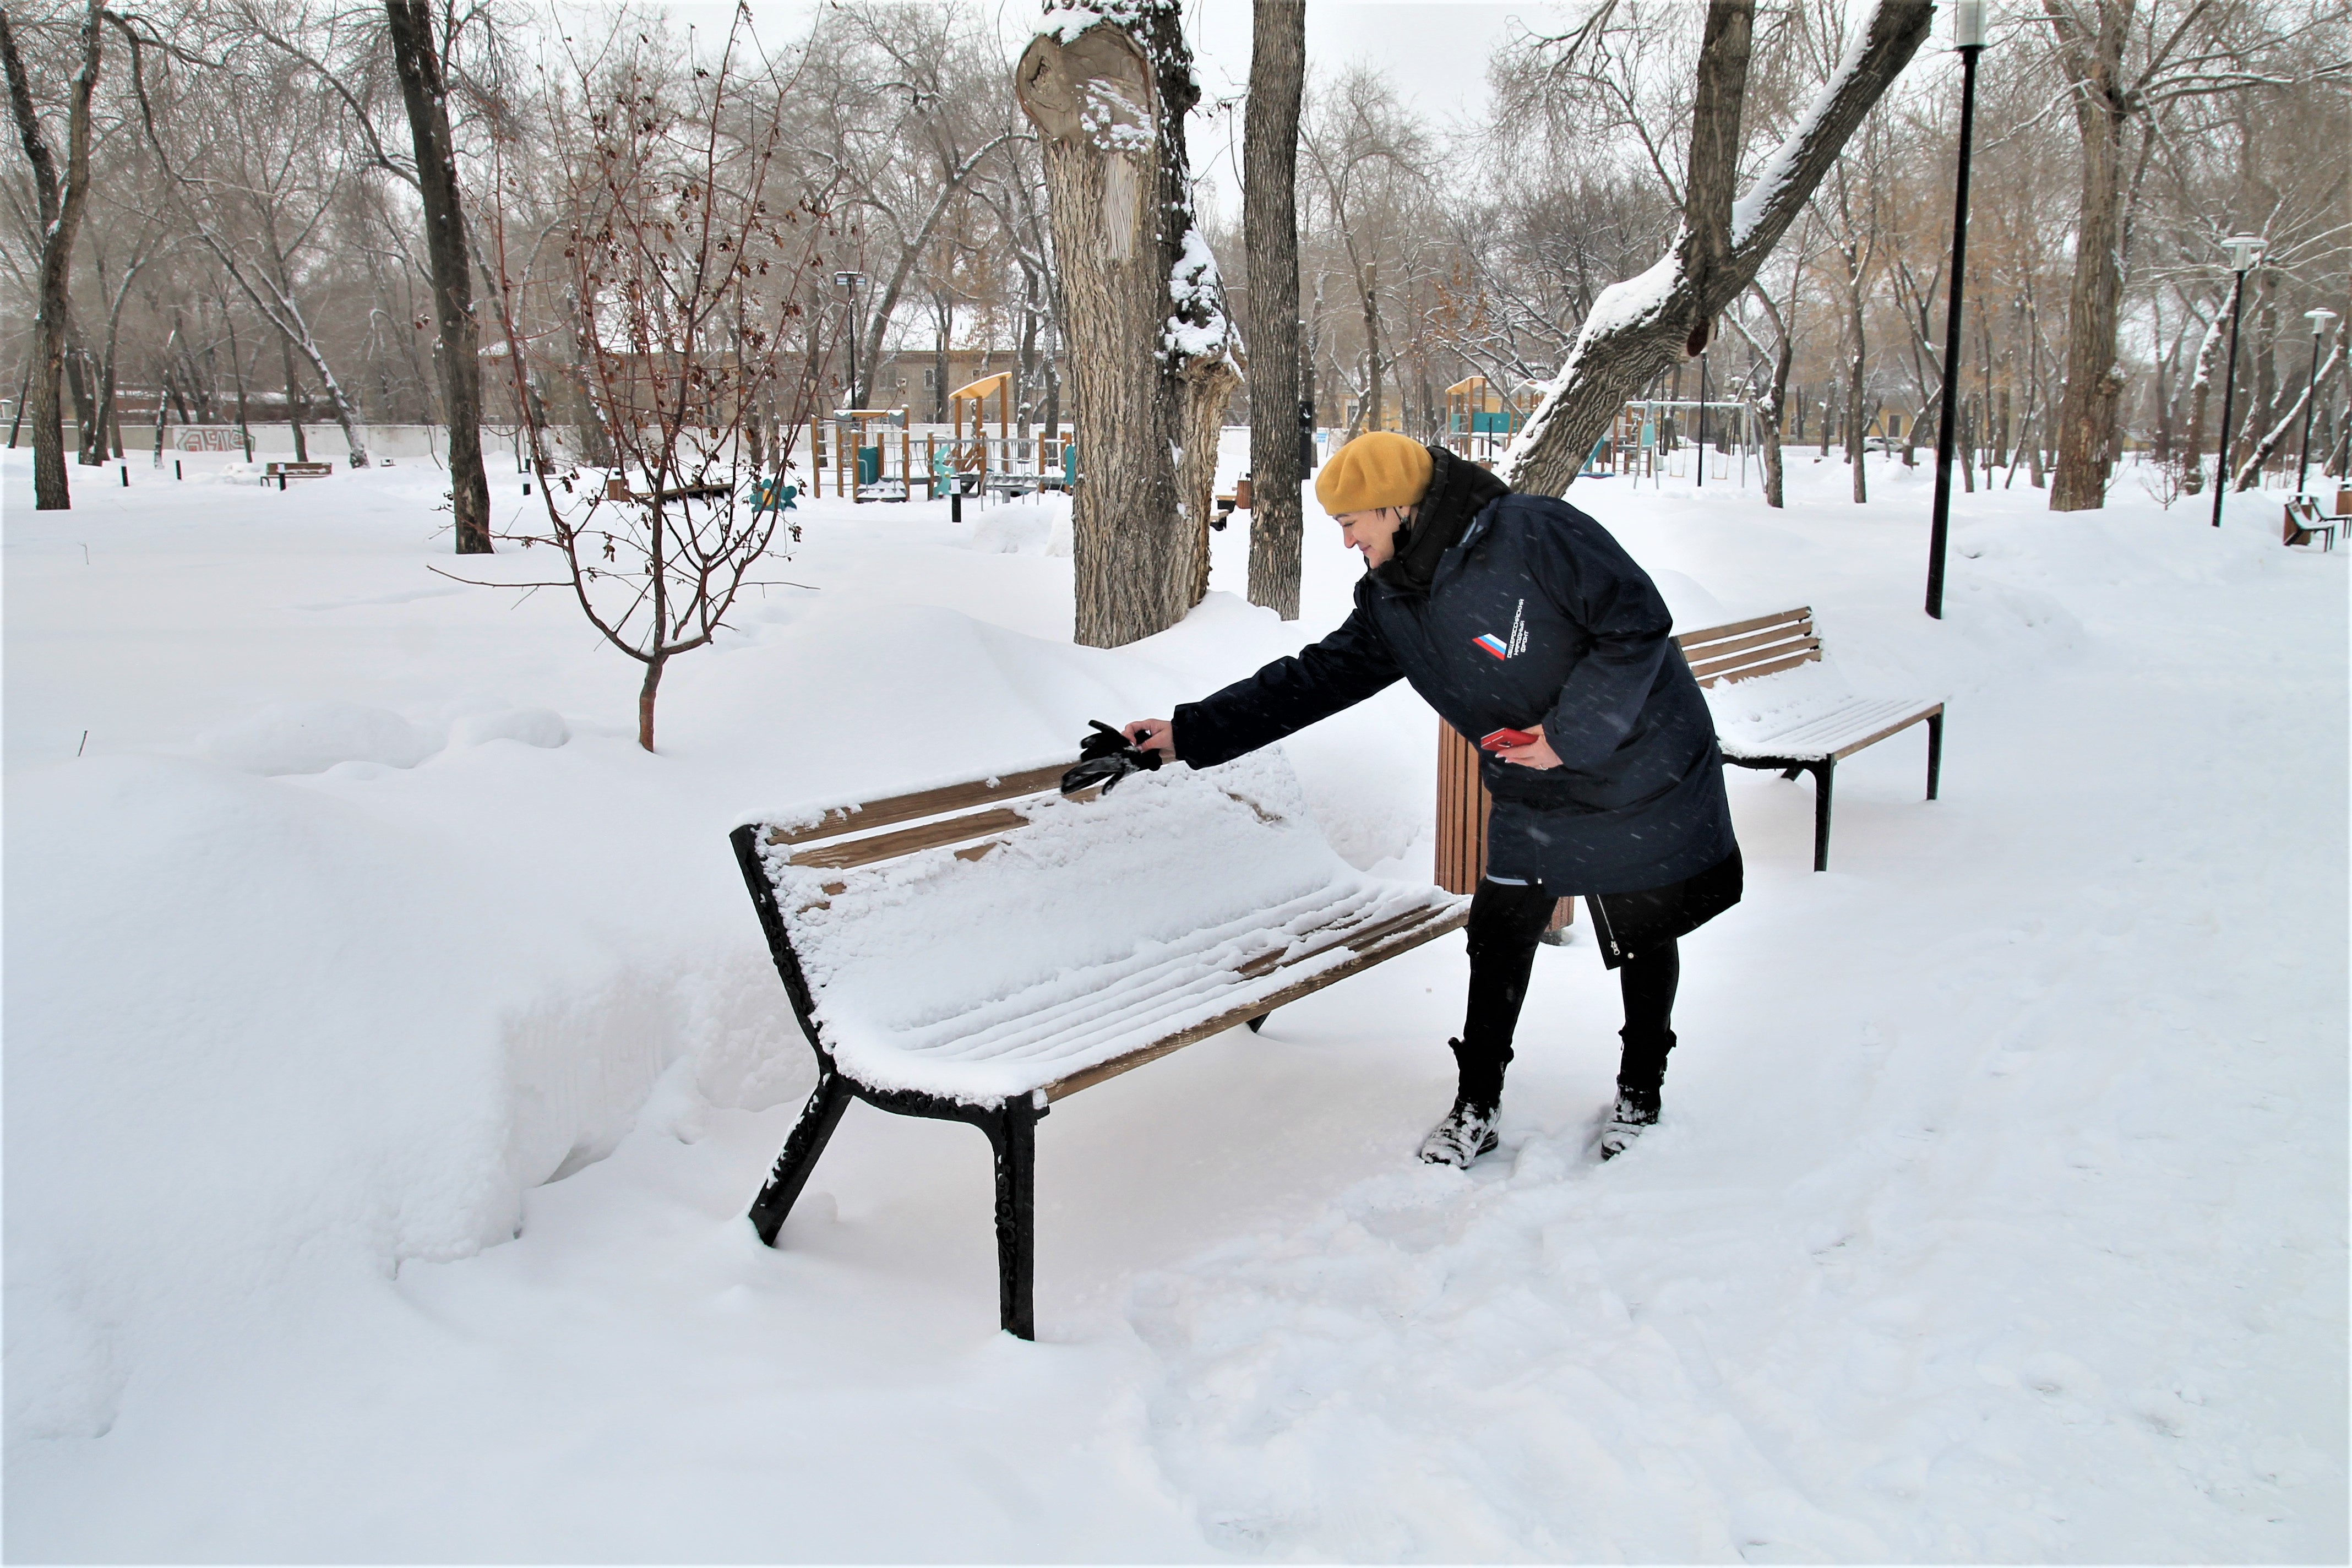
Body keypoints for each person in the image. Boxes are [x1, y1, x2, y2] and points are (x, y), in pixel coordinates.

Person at [1121, 432, 1741, 1165]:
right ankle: (1476, 1103)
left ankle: (1642, 1088)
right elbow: (1314, 679)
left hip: (1639, 756)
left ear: (1395, 507)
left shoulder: (1536, 533)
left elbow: (1636, 623)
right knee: (1501, 929)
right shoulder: (1395, 602)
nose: (1348, 540)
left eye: (1352, 521)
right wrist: (1187, 732)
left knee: (1642, 921)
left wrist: (1570, 736)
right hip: (1535, 777)